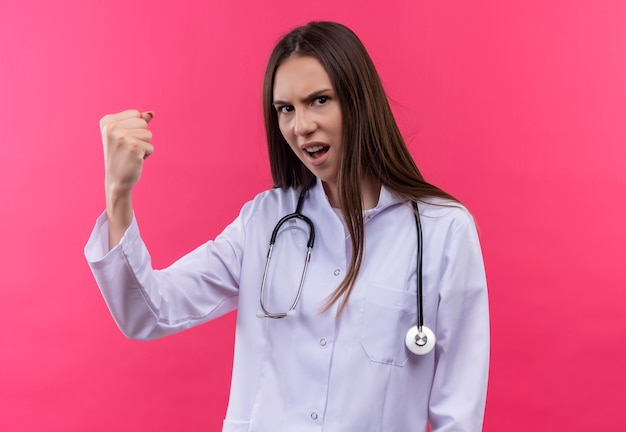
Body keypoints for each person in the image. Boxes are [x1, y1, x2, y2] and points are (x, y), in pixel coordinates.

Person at [85, 21, 489, 432]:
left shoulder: (443, 232)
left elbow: (458, 414)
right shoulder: (264, 222)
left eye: (319, 101)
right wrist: (118, 194)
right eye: (285, 109)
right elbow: (147, 312)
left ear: (359, 101)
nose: (301, 127)